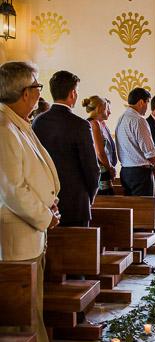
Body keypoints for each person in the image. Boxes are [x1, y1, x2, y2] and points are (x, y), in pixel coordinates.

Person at [0, 61, 80, 342]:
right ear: (24, 92)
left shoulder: (19, 122)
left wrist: (50, 206)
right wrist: (45, 217)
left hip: (32, 227)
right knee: (25, 302)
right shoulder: (5, 130)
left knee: (33, 299)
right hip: (18, 231)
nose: (38, 92)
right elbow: (12, 189)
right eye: (36, 86)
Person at [32, 71, 100, 227]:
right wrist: (89, 196)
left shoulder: (38, 122)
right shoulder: (80, 125)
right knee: (78, 250)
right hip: (76, 204)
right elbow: (92, 169)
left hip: (46, 204)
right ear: (72, 93)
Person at [115, 87, 155, 196]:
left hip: (125, 171)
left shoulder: (121, 119)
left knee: (131, 208)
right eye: (147, 103)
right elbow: (149, 150)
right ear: (141, 102)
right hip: (140, 174)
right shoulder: (139, 120)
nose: (147, 107)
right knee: (144, 210)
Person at [82, 96, 117, 195]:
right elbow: (100, 153)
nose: (109, 112)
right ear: (99, 107)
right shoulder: (94, 124)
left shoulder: (90, 123)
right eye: (107, 108)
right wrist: (110, 168)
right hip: (100, 169)